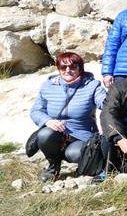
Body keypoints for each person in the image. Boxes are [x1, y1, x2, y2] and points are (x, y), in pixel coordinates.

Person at [30, 52, 106, 181]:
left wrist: (114, 99)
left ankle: (85, 165)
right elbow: (36, 111)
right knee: (44, 134)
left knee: (73, 154)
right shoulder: (47, 86)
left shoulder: (92, 85)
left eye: (73, 67)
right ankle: (53, 167)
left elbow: (105, 103)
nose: (68, 70)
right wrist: (47, 121)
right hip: (56, 133)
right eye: (63, 67)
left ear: (80, 68)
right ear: (58, 68)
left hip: (81, 135)